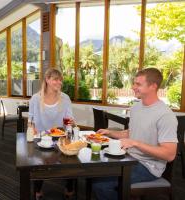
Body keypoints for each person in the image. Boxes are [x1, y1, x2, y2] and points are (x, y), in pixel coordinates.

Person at [92, 68, 178, 200]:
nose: (133, 87)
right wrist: (110, 132)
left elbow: (169, 154)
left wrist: (135, 143)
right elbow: (131, 133)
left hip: (149, 167)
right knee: (95, 173)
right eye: (134, 83)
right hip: (129, 158)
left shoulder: (165, 115)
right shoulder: (136, 107)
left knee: (101, 184)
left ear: (153, 86)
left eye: (138, 84)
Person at [28, 68, 75, 200]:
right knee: (40, 164)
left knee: (70, 161)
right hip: (41, 138)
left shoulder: (65, 98)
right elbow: (30, 119)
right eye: (55, 79)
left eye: (60, 80)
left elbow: (69, 120)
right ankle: (38, 189)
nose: (59, 82)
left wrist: (71, 123)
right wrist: (32, 128)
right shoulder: (35, 99)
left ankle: (69, 187)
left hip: (60, 138)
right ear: (47, 80)